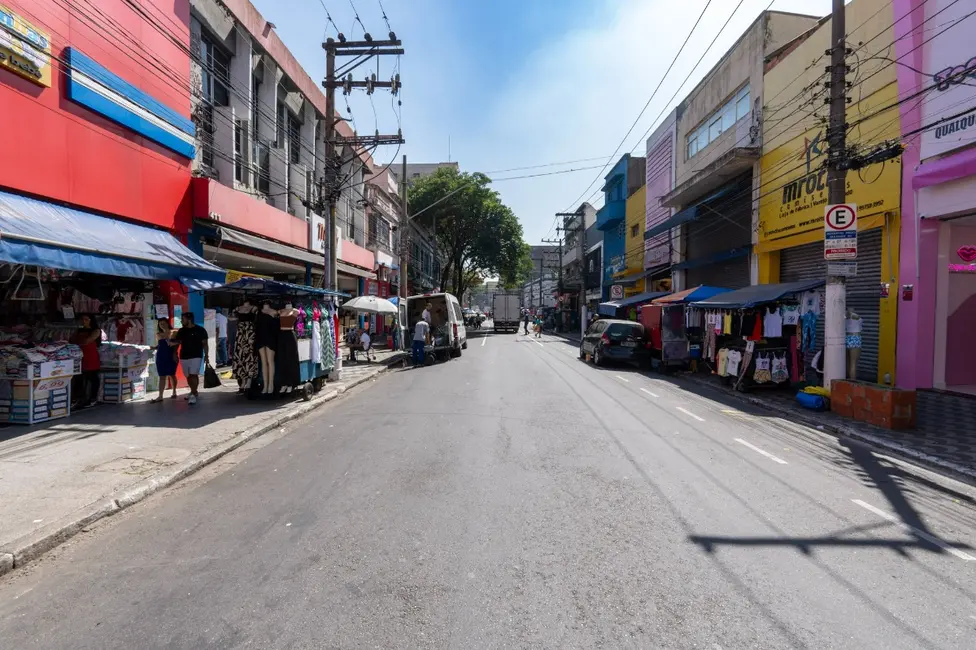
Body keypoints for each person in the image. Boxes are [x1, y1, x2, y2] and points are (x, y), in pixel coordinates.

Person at [173, 312, 209, 405]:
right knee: (188, 376)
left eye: (183, 319)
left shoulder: (200, 330)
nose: (181, 321)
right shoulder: (181, 331)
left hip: (196, 355)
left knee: (193, 375)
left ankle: (193, 394)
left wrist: (207, 356)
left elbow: (205, 344)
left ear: (189, 319)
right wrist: (175, 353)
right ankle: (194, 391)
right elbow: (177, 343)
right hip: (184, 356)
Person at [71, 314, 102, 408]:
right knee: (78, 378)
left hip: (91, 356)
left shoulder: (96, 331)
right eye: (82, 319)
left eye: (86, 319)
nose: (84, 321)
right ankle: (76, 399)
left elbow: (87, 341)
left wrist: (78, 341)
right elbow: (71, 339)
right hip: (79, 356)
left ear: (91, 320)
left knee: (92, 378)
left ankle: (92, 398)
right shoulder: (79, 330)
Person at [151, 319, 179, 403]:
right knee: (162, 376)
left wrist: (174, 353)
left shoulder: (174, 332)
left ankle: (174, 391)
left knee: (172, 374)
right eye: (160, 324)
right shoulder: (158, 334)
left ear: (167, 323)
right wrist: (153, 347)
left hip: (171, 355)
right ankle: (160, 396)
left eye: (163, 323)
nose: (162, 325)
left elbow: (178, 343)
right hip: (160, 356)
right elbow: (160, 345)